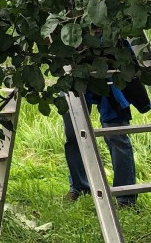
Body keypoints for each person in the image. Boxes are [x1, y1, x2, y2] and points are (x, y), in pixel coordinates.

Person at [61, 79, 147, 207]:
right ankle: (79, 188)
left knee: (116, 136)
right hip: (72, 75)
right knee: (74, 135)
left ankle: (125, 197)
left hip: (108, 74)